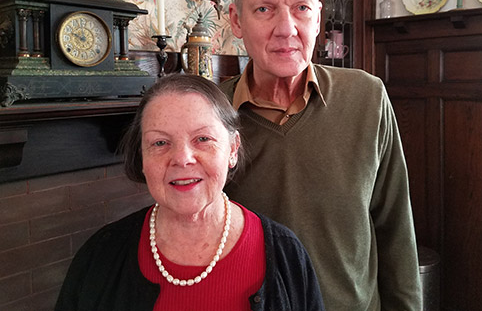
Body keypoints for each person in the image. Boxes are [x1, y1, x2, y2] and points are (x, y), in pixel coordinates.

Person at [220, 0, 422, 310]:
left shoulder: (366, 97)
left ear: (317, 18)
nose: (286, 28)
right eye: (264, 9)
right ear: (236, 20)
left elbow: (395, 228)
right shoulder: (211, 114)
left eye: (301, 8)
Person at [55, 74, 325, 311]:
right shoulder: (100, 255)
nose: (182, 159)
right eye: (160, 142)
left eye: (203, 139)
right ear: (142, 157)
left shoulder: (286, 253)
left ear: (232, 149)